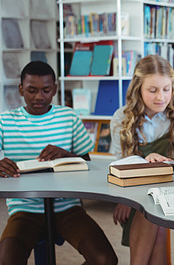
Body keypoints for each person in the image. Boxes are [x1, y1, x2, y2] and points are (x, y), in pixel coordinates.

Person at [0, 61, 117, 265]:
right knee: (6, 260)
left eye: (46, 90)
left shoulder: (68, 117)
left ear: (54, 89)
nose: (39, 96)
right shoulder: (5, 120)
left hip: (67, 206)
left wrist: (68, 155)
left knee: (105, 259)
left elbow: (89, 164)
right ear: (21, 89)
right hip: (24, 208)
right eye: (32, 90)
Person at [110, 55, 174, 264]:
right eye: (153, 90)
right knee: (149, 211)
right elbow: (118, 162)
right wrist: (125, 198)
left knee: (151, 208)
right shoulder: (121, 117)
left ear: (173, 88)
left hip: (171, 191)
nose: (161, 97)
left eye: (167, 89)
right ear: (138, 88)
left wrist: (163, 167)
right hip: (131, 192)